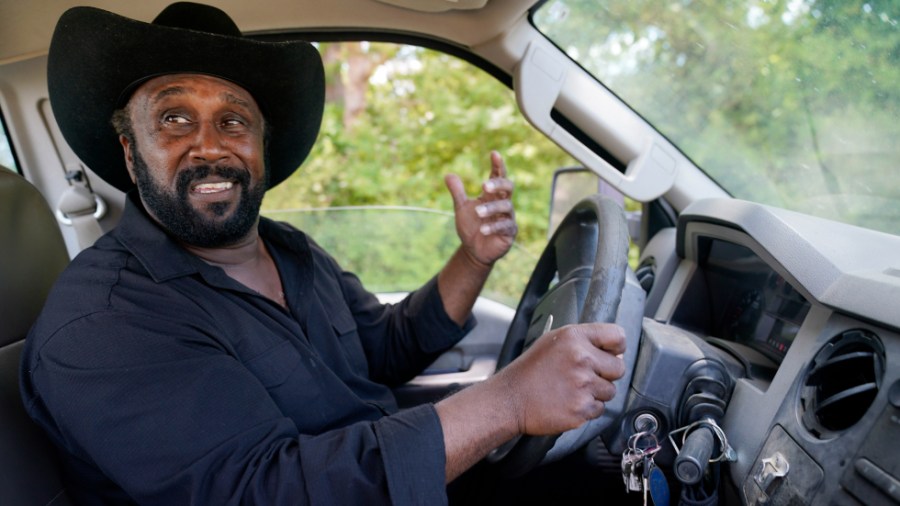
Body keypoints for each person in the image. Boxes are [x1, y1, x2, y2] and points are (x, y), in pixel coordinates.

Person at [21, 3, 626, 505]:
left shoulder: (289, 250)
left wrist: (474, 258)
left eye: (234, 122)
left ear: (261, 148)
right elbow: (269, 491)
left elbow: (386, 347)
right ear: (130, 153)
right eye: (174, 119)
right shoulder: (105, 322)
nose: (209, 146)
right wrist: (510, 400)